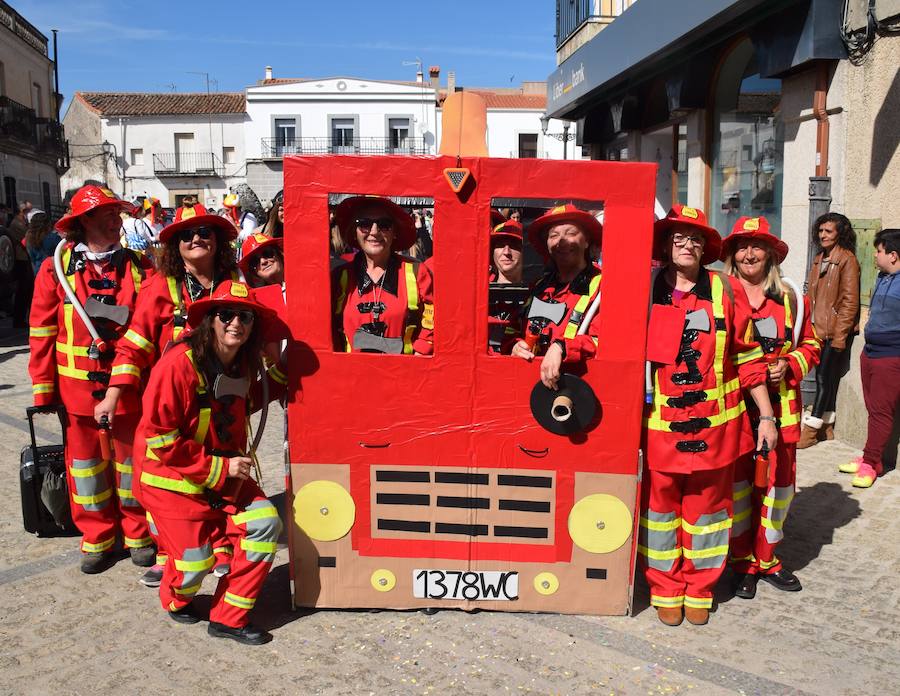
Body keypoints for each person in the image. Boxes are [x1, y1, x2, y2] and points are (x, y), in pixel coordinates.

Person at [641, 204, 777, 627]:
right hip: (659, 431)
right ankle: (665, 586)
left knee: (709, 513)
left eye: (695, 238)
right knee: (660, 514)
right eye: (679, 237)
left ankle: (700, 588)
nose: (687, 244)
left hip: (716, 431)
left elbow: (750, 356)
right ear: (666, 244)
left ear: (706, 249)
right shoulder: (643, 289)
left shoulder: (726, 289)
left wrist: (767, 417)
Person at [133, 280, 285, 645]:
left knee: (265, 523)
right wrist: (219, 469)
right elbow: (160, 438)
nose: (236, 323)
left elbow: (242, 406)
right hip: (171, 480)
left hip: (221, 475)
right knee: (193, 565)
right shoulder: (178, 366)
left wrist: (285, 371)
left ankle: (228, 619)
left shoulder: (241, 364)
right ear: (210, 321)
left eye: (245, 317)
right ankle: (174, 598)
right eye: (226, 314)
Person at [96, 210, 240, 585]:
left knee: (223, 468)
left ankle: (222, 544)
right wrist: (113, 395)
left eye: (205, 232)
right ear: (175, 244)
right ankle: (169, 551)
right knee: (169, 475)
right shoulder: (161, 287)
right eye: (187, 234)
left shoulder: (236, 281)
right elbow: (135, 345)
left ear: (218, 240)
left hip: (225, 400)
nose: (197, 239)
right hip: (173, 404)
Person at [28, 185, 156, 574]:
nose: (117, 220)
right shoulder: (56, 268)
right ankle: (97, 536)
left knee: (131, 463)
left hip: (129, 388)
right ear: (84, 222)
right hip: (77, 392)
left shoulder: (140, 266)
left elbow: (151, 326)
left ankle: (137, 534)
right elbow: (41, 329)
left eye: (118, 213)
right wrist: (43, 388)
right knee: (84, 467)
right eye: (107, 215)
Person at [721, 216, 821, 599]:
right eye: (743, 246)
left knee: (778, 487)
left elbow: (812, 344)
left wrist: (791, 363)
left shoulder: (792, 298)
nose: (749, 253)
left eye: (757, 246)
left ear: (769, 254)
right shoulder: (720, 294)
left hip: (781, 410)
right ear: (732, 254)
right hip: (733, 409)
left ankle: (766, 559)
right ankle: (739, 560)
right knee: (739, 487)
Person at [511, 204, 602, 389]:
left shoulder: (603, 287)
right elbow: (512, 330)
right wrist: (514, 345)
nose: (561, 241)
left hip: (581, 390)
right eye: (553, 235)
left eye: (570, 233)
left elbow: (608, 341)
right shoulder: (539, 287)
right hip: (529, 387)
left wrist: (562, 347)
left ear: (586, 241)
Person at [331, 196, 434, 355]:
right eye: (364, 224)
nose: (374, 232)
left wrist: (421, 350)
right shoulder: (340, 277)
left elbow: (435, 317)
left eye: (384, 225)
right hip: (353, 375)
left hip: (404, 375)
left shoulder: (417, 273)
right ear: (354, 231)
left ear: (394, 232)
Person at [839, 228, 900, 488]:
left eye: (879, 251)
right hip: (870, 352)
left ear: (893, 255)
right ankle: (870, 458)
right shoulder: (882, 276)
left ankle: (871, 462)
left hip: (891, 356)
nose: (875, 255)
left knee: (881, 412)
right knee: (873, 409)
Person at [801, 213, 860, 448]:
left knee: (824, 378)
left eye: (829, 231)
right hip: (817, 329)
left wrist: (840, 336)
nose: (823, 235)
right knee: (824, 377)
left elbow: (849, 302)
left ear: (840, 234)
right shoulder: (820, 258)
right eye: (821, 230)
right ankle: (826, 428)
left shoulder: (846, 260)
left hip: (833, 331)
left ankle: (812, 429)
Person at [488, 218, 525, 354]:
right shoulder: (478, 289)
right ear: (492, 251)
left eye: (514, 245)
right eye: (501, 245)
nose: (506, 252)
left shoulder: (539, 293)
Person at [9, 201, 35, 327]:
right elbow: (27, 238)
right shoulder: (17, 224)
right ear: (22, 211)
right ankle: (18, 320)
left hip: (26, 259)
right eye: (28, 211)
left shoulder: (23, 223)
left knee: (28, 291)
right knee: (22, 291)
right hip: (21, 260)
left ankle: (24, 318)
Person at [24, 209, 62, 275]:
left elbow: (32, 258)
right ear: (47, 224)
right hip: (52, 271)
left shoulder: (28, 239)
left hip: (38, 271)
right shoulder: (53, 238)